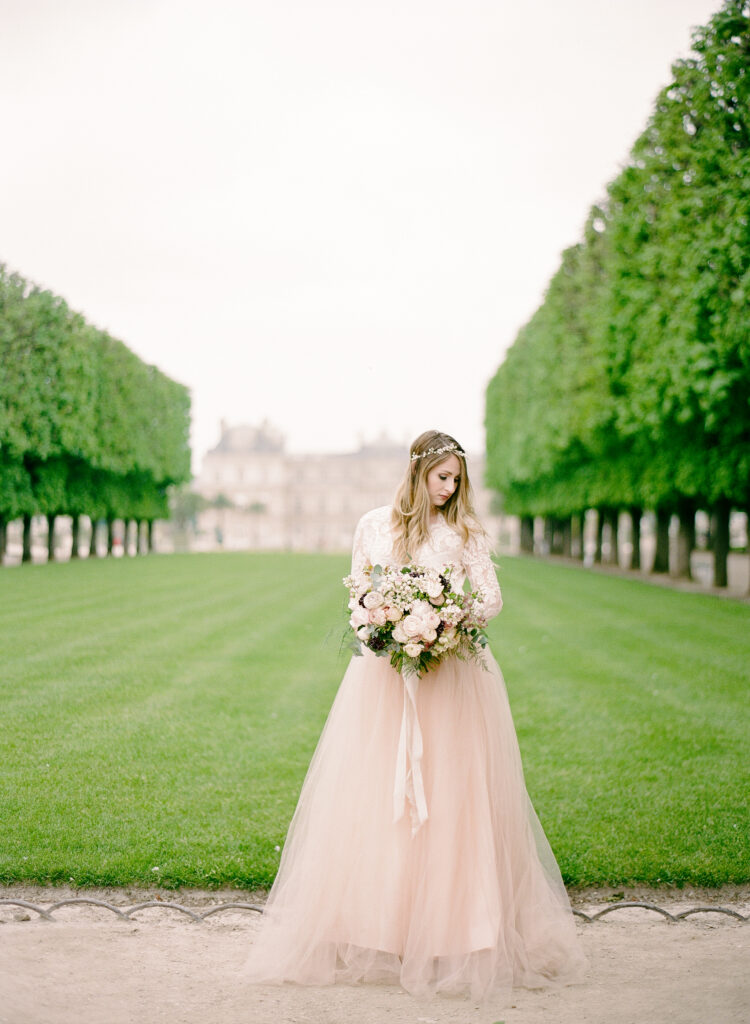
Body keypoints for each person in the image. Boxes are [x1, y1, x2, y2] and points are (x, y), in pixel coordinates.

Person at [244, 429, 585, 1003]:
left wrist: (446, 615)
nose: (449, 489)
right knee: (378, 792)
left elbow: (492, 598)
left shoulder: (464, 531)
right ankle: (380, 926)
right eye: (441, 477)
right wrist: (383, 618)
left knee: (453, 792)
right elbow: (359, 591)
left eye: (457, 479)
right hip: (384, 678)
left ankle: (460, 927)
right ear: (417, 471)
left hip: (451, 674)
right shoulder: (373, 524)